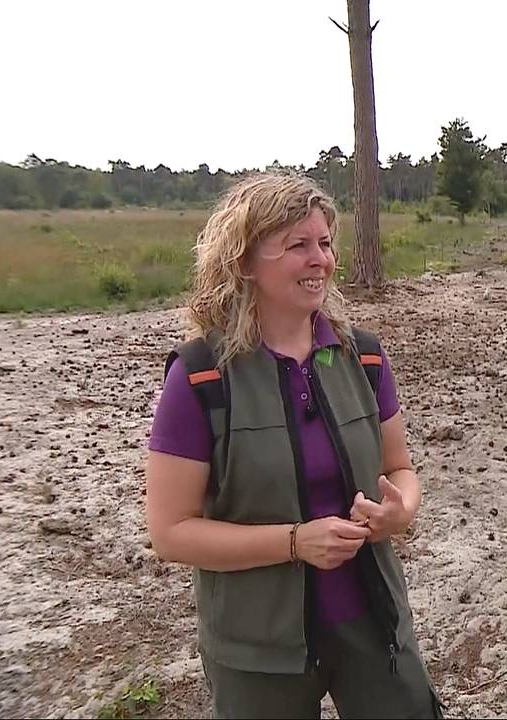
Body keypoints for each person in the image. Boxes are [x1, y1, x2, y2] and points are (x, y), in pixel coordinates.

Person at [145, 173, 441, 719]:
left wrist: (401, 510)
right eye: (297, 245)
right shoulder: (201, 379)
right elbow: (170, 532)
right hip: (258, 648)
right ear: (245, 262)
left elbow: (400, 469)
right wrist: (293, 543)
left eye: (325, 243)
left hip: (374, 625)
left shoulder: (364, 359)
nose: (321, 260)